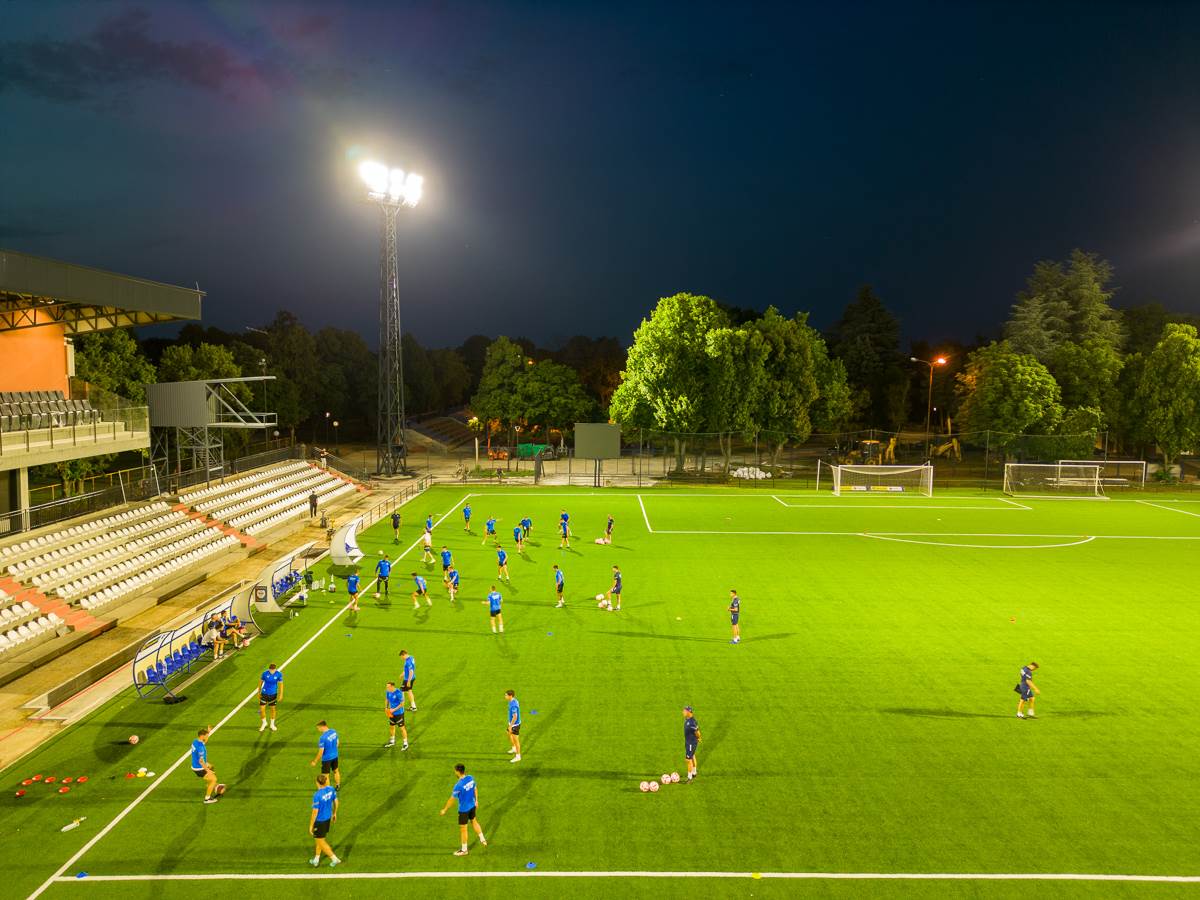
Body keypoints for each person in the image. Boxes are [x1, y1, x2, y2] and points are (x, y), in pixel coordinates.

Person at [440, 764, 487, 856]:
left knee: (463, 829)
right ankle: (482, 839)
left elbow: (452, 799)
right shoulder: (470, 778)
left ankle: (464, 850)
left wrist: (445, 809)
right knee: (474, 821)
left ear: (458, 772)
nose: (454, 772)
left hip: (464, 810)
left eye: (455, 771)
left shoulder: (458, 785)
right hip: (472, 805)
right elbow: (475, 789)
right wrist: (476, 800)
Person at [309, 773, 341, 867]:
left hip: (320, 821)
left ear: (317, 783)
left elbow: (315, 812)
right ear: (325, 781)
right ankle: (316, 859)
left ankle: (334, 858)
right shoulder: (331, 789)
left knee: (320, 841)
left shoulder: (317, 795)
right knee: (320, 838)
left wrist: (311, 825)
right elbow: (336, 801)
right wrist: (334, 813)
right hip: (327, 819)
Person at [192, 726, 220, 803]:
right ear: (202, 736)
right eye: (206, 735)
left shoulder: (195, 741)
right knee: (214, 779)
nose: (207, 736)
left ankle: (209, 784)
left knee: (211, 766)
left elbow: (204, 742)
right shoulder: (200, 747)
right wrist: (208, 771)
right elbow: (201, 761)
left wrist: (208, 732)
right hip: (199, 768)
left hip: (196, 764)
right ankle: (207, 799)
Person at [309, 720, 341, 790]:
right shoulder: (333, 731)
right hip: (335, 756)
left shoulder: (323, 738)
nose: (318, 730)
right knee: (336, 771)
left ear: (322, 727)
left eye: (318, 728)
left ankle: (328, 790)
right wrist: (333, 750)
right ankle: (338, 785)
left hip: (327, 759)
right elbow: (337, 743)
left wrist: (315, 761)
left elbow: (321, 752)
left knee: (325, 776)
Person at [384, 681, 410, 750]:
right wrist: (386, 707)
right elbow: (387, 699)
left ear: (392, 686)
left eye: (388, 687)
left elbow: (402, 704)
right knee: (392, 727)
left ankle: (405, 743)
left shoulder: (398, 693)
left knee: (402, 728)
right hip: (391, 713)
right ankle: (392, 741)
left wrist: (393, 710)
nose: (387, 688)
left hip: (399, 713)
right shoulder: (388, 692)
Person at [259, 663, 283, 732]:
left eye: (273, 670)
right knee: (262, 709)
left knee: (273, 709)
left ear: (275, 669)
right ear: (269, 669)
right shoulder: (264, 673)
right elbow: (260, 682)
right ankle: (264, 723)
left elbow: (281, 685)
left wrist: (281, 694)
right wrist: (259, 692)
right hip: (264, 693)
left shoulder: (279, 674)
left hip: (273, 694)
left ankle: (272, 724)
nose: (272, 671)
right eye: (270, 670)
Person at [683, 706, 701, 781]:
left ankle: (689, 777)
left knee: (688, 759)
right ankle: (694, 772)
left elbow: (697, 732)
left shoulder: (692, 722)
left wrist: (699, 738)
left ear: (688, 712)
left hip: (691, 743)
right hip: (689, 742)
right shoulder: (688, 719)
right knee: (692, 755)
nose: (683, 712)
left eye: (684, 711)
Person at [505, 689, 522, 763]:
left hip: (515, 725)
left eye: (506, 695)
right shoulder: (513, 701)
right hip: (512, 723)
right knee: (508, 733)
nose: (505, 696)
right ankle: (514, 748)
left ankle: (518, 756)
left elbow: (515, 717)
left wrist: (510, 726)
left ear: (510, 696)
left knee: (516, 740)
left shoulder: (513, 705)